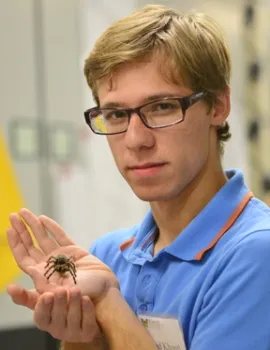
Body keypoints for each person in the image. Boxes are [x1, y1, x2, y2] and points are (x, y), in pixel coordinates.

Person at [6, 4, 270, 350]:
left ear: (218, 106)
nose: (136, 140)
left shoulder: (255, 254)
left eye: (162, 107)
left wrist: (109, 305)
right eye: (116, 113)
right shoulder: (108, 256)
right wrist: (85, 337)